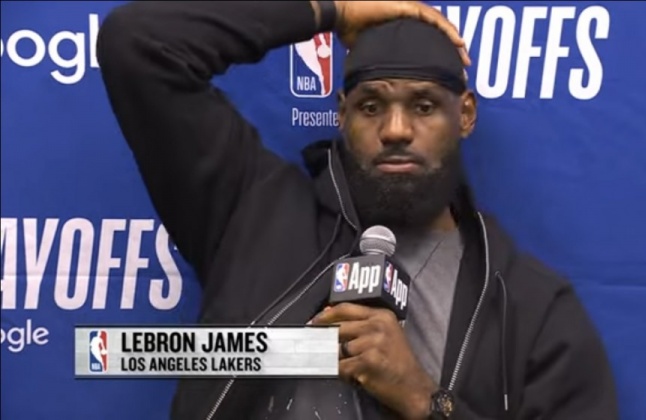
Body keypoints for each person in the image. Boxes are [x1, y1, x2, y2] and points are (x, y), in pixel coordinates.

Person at [97, 1, 619, 419]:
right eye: (371, 106)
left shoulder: (531, 310)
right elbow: (138, 44)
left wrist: (425, 401)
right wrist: (331, 11)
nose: (395, 130)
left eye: (423, 106)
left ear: (464, 115)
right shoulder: (253, 214)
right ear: (342, 114)